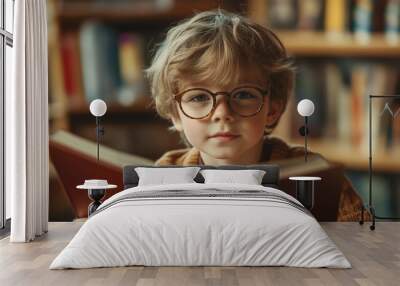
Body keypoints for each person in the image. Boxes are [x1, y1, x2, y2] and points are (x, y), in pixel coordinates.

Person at [145, 9, 368, 221]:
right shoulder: (165, 173)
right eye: (198, 98)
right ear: (175, 113)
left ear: (273, 108)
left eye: (243, 95)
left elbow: (365, 245)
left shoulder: (313, 175)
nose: (222, 114)